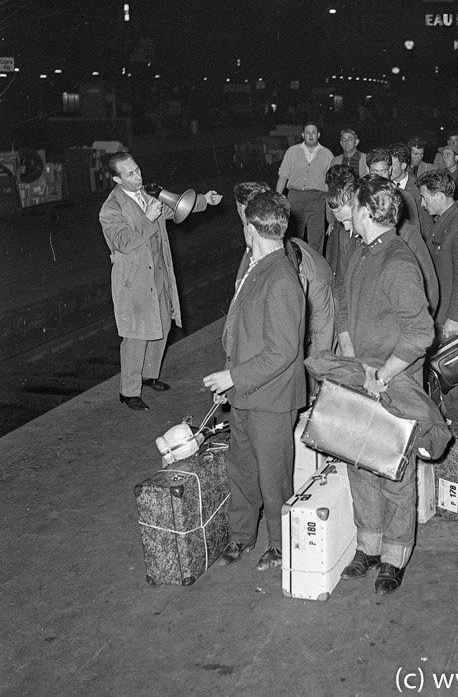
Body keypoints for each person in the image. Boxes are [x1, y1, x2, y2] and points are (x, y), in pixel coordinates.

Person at [335, 176, 434, 594]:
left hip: (393, 383)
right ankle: (368, 545)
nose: (347, 214)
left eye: (353, 206)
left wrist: (384, 374)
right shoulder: (361, 251)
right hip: (362, 374)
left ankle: (394, 555)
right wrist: (345, 338)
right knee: (360, 463)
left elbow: (420, 332)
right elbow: (344, 297)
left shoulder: (397, 262)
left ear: (365, 211)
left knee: (394, 472)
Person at [203, 191, 306, 571]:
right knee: (242, 468)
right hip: (247, 393)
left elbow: (282, 352)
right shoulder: (258, 264)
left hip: (271, 397)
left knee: (274, 476)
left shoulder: (280, 276)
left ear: (250, 228)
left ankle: (281, 545)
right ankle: (242, 536)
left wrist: (231, 375)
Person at [99, 152, 222, 411]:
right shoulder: (110, 209)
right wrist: (148, 218)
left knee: (163, 325)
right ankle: (129, 392)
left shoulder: (147, 195)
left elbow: (176, 207)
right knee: (136, 336)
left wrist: (204, 201)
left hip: (159, 274)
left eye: (137, 169)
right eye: (130, 173)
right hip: (134, 281)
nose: (138, 175)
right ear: (116, 179)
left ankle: (149, 375)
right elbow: (123, 242)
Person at [233, 182, 335, 358]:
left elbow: (321, 336)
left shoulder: (303, 269)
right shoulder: (261, 247)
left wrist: (321, 373)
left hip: (321, 318)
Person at [326, 168, 439, 319]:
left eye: (348, 220)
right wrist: (344, 332)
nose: (347, 227)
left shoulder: (406, 235)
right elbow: (343, 285)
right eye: (341, 222)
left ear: (363, 208)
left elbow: (429, 289)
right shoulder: (346, 236)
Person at [418, 168, 458, 421]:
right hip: (442, 314)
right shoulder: (443, 222)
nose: (422, 203)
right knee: (447, 379)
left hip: (452, 318)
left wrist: (455, 318)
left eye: (425, 197)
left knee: (457, 380)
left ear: (440, 196)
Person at [275, 122, 334, 254]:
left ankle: (315, 271)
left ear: (318, 135)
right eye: (308, 133)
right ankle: (294, 268)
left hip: (317, 200)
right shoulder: (292, 151)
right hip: (295, 199)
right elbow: (283, 176)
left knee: (316, 239)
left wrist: (331, 217)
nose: (311, 135)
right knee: (293, 238)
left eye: (313, 132)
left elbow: (331, 186)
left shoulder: (327, 154)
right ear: (303, 135)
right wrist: (276, 199)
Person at [388, 142, 434, 241]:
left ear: (403, 165)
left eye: (392, 165)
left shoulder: (418, 188)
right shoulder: (386, 186)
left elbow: (426, 226)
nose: (388, 169)